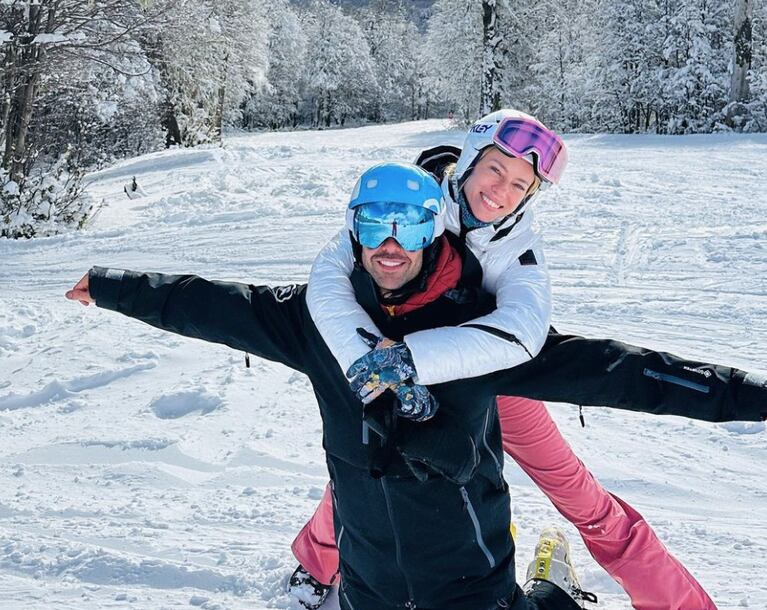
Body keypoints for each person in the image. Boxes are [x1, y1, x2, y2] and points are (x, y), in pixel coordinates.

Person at [66, 163, 765, 610]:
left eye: (407, 226)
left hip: (472, 591)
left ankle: (553, 595)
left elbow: (625, 370)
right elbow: (203, 302)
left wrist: (748, 395)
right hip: (367, 590)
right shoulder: (312, 321)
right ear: (353, 231)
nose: (390, 243)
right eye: (374, 223)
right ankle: (319, 574)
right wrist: (108, 284)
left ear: (437, 231)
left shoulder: (477, 335)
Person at [292, 111, 725, 609]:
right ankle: (316, 562)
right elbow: (332, 268)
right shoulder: (419, 204)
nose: (500, 191)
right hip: (403, 374)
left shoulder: (519, 247)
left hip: (500, 383)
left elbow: (524, 327)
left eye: (520, 184)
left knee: (576, 491)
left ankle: (682, 603)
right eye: (495, 170)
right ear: (470, 161)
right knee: (370, 464)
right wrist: (362, 350)